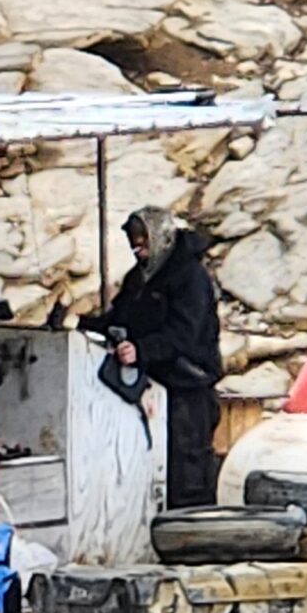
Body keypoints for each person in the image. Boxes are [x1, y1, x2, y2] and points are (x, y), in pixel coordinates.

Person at [84, 205, 224, 508]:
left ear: (160, 238)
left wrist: (142, 350)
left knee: (188, 463)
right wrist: (84, 326)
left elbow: (184, 334)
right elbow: (119, 317)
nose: (137, 247)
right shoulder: (139, 278)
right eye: (134, 240)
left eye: (143, 239)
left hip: (189, 383)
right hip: (154, 384)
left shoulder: (190, 277)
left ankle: (193, 530)